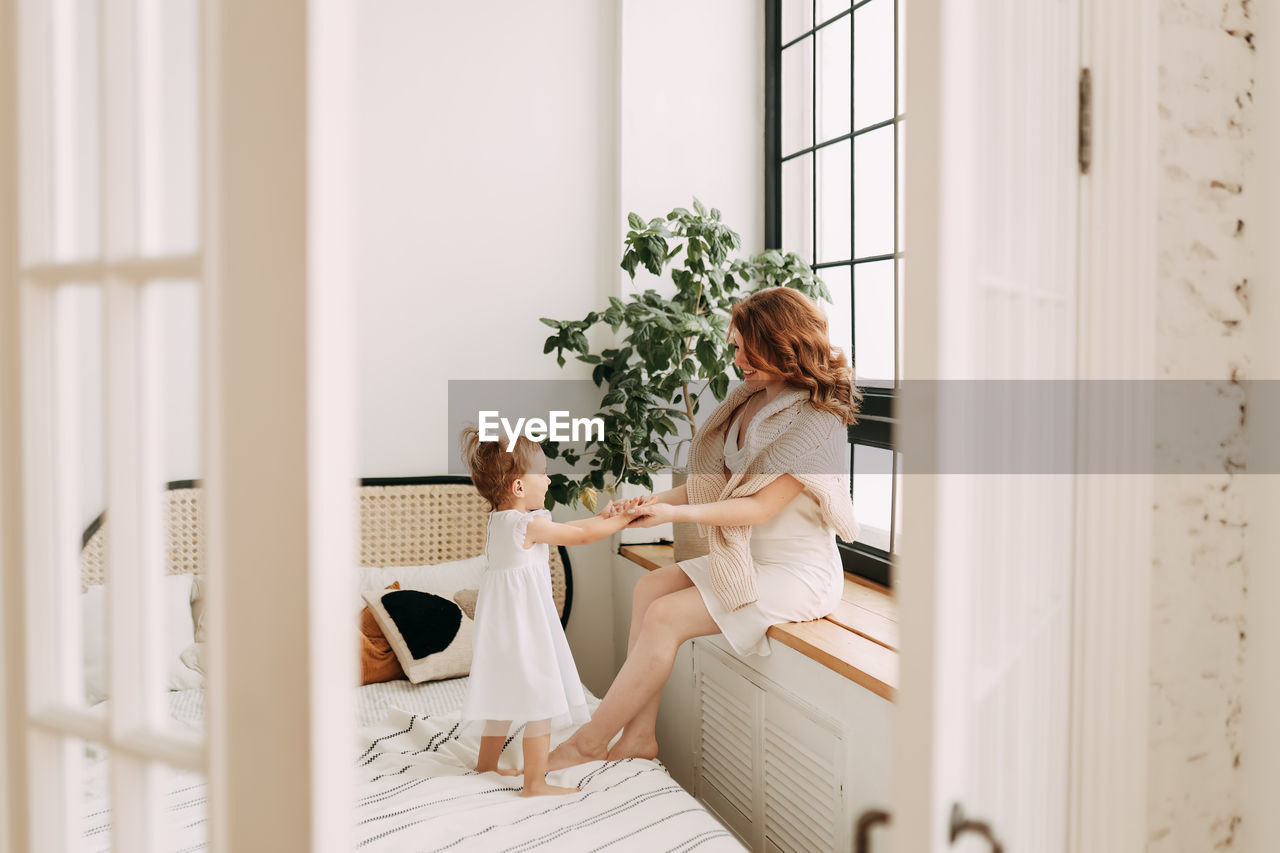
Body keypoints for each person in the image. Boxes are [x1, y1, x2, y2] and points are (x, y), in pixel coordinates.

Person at [547, 286, 861, 771]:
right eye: (735, 346)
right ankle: (639, 737)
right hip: (753, 559)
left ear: (782, 342)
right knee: (649, 590)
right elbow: (712, 487)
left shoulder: (818, 420)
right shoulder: (748, 400)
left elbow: (755, 509)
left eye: (745, 347)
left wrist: (673, 515)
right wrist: (648, 503)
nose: (737, 358)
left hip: (800, 573)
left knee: (666, 617)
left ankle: (589, 743)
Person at [457, 426, 649, 796]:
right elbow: (579, 536)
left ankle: (486, 766)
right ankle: (535, 782)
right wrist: (622, 521)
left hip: (500, 632)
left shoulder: (503, 522)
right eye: (542, 473)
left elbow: (566, 528)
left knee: (500, 699)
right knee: (539, 698)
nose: (548, 479)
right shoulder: (527, 525)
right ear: (518, 487)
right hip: (527, 630)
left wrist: (604, 516)